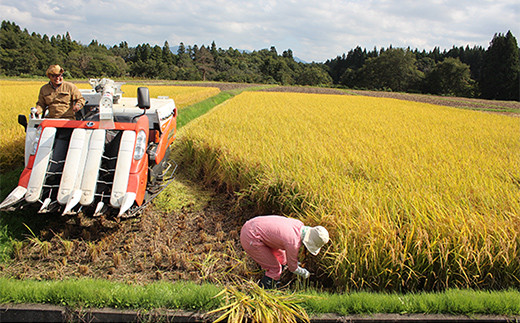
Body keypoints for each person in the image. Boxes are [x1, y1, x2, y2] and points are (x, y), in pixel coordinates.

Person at [240, 215, 329, 289]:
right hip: (251, 237)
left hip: (254, 225)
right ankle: (262, 293)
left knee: (282, 259)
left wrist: (293, 262)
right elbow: (292, 268)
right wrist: (304, 273)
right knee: (275, 269)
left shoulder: (298, 224)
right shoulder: (293, 242)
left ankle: (274, 281)